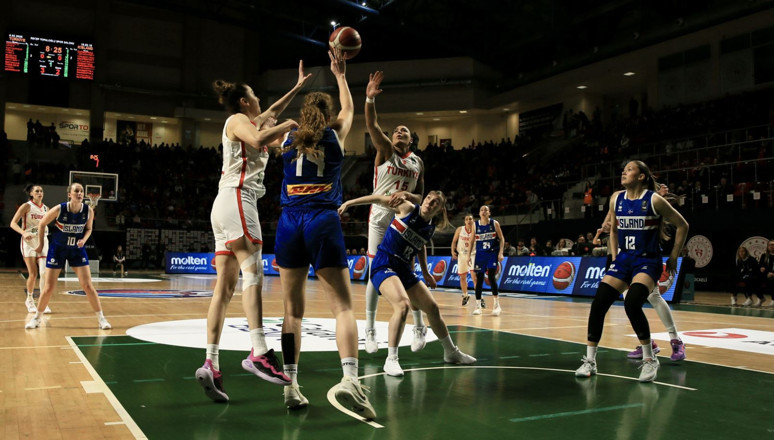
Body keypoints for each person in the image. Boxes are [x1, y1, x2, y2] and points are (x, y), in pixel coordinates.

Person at [195, 61, 311, 403]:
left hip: (224, 205)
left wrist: (297, 85)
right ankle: (259, 350)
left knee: (225, 288)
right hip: (237, 198)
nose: (262, 101)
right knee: (254, 272)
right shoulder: (238, 121)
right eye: (255, 96)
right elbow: (262, 135)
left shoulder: (250, 119)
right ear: (245, 102)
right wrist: (289, 124)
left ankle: (211, 363)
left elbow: (272, 113)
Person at [275, 49, 375, 417]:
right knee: (343, 307)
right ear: (328, 115)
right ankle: (351, 379)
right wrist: (341, 75)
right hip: (321, 219)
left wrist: (293, 90)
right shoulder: (334, 135)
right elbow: (349, 110)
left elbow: (263, 123)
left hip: (288, 222)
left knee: (292, 312)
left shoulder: (286, 139)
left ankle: (291, 386)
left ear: (304, 114)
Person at [338, 191, 476, 376]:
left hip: (403, 269)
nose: (430, 203)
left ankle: (451, 352)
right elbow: (378, 198)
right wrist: (350, 202)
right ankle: (391, 360)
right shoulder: (406, 207)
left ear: (439, 209)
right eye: (428, 199)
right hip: (384, 264)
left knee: (433, 308)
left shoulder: (429, 228)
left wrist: (426, 272)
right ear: (424, 199)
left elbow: (421, 246)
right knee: (402, 306)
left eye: (435, 203)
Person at [576, 160, 688, 383]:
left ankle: (649, 360)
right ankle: (590, 361)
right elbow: (614, 231)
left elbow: (683, 225)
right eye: (623, 169)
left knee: (632, 303)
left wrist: (674, 256)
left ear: (641, 176)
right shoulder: (616, 198)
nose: (623, 172)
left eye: (629, 169)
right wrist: (616, 259)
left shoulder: (654, 200)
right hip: (625, 259)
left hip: (648, 261)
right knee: (598, 304)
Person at [362, 71, 427, 355]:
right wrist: (369, 99)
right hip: (379, 218)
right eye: (397, 129)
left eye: (405, 131)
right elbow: (372, 124)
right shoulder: (385, 151)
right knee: (374, 273)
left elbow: (421, 196)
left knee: (408, 272)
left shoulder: (417, 162)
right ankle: (370, 329)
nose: (400, 131)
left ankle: (419, 324)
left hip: (404, 220)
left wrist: (409, 196)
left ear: (411, 141)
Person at [25, 183, 111, 330]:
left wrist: (84, 239)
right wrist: (39, 245)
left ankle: (101, 319)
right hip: (58, 250)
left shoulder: (88, 210)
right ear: (69, 194)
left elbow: (89, 229)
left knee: (88, 286)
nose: (79, 193)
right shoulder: (60, 209)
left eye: (81, 191)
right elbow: (42, 224)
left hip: (76, 250)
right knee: (48, 287)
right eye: (76, 191)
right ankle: (37, 318)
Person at [625, 192, 687, 361]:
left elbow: (680, 223)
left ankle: (676, 340)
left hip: (646, 257)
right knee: (629, 302)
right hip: (627, 257)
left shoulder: (651, 200)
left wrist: (660, 196)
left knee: (653, 296)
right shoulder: (622, 200)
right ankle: (648, 342)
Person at [10, 184, 51, 314]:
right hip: (29, 241)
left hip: (43, 240)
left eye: (41, 191)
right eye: (37, 191)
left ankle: (43, 303)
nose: (40, 192)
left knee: (44, 272)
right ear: (31, 194)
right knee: (33, 274)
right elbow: (13, 223)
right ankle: (29, 299)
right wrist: (23, 233)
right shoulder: (26, 206)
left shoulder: (46, 208)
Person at [470, 205, 505, 315]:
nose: (483, 212)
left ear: (489, 213)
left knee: (491, 276)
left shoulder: (494, 223)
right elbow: (471, 241)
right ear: (479, 213)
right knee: (479, 279)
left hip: (492, 253)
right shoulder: (475, 225)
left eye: (486, 210)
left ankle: (496, 304)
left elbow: (502, 238)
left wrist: (501, 252)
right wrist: (468, 256)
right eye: (481, 210)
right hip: (480, 254)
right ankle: (478, 305)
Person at [450, 214, 477, 305]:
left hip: (473, 254)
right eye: (467, 219)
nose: (468, 220)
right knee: (462, 277)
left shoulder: (477, 230)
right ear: (464, 221)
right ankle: (465, 295)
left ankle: (479, 298)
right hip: (462, 255)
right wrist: (453, 251)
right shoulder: (460, 229)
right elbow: (454, 241)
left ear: (473, 220)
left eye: (470, 219)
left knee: (475, 277)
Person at [758, 240, 774, 307]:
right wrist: (761, 268)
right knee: (754, 280)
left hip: (773, 275)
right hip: (766, 274)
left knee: (771, 281)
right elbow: (761, 265)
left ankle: (773, 300)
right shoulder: (764, 255)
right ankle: (761, 298)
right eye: (770, 245)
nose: (771, 246)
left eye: (773, 245)